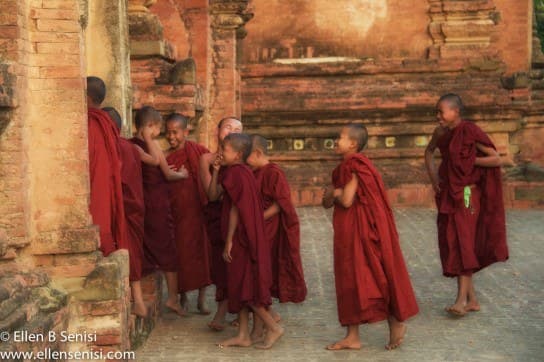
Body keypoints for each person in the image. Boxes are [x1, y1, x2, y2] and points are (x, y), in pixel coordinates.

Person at [322, 124, 419, 350]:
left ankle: (395, 322)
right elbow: (327, 201)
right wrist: (332, 194)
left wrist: (334, 193)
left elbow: (345, 199)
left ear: (353, 144)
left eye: (341, 137)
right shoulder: (342, 169)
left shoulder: (356, 166)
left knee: (374, 277)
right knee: (348, 279)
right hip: (346, 232)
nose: (336, 141)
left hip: (363, 232)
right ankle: (352, 336)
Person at [424, 93, 508, 317]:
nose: (438, 116)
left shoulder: (470, 131)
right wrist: (434, 179)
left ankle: (461, 301)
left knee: (464, 239)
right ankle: (472, 301)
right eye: (437, 112)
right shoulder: (441, 132)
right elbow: (429, 152)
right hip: (448, 191)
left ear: (456, 112)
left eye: (441, 111)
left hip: (469, 193)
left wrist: (471, 161)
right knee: (455, 239)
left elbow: (496, 158)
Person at [208, 133, 284, 349]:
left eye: (226, 149)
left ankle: (273, 327)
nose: (221, 153)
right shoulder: (236, 173)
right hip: (245, 236)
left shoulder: (237, 174)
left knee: (245, 288)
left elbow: (235, 209)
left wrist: (230, 240)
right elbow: (213, 196)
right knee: (238, 286)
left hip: (241, 238)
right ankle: (243, 335)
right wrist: (215, 171)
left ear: (239, 154)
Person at [246, 134, 307, 341]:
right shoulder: (254, 172)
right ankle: (257, 328)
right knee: (258, 275)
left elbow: (281, 203)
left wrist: (259, 218)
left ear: (257, 153)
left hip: (268, 230)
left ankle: (265, 325)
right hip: (257, 231)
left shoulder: (273, 173)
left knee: (263, 274)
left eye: (246, 156)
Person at [130, 106, 188, 316]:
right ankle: (172, 298)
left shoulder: (131, 144)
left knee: (145, 248)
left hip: (142, 203)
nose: (160, 133)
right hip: (155, 204)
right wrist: (181, 174)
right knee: (167, 251)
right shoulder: (145, 145)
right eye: (159, 128)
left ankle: (153, 297)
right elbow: (163, 169)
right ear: (151, 126)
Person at [164, 113, 212, 314]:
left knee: (203, 255)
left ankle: (202, 299)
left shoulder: (199, 152)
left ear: (186, 131)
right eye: (168, 132)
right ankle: (182, 297)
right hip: (176, 214)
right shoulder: (165, 157)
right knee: (181, 255)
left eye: (175, 132)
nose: (171, 136)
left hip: (198, 212)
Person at [199, 117, 243, 331]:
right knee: (221, 265)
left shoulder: (243, 160)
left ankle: (237, 311)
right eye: (228, 127)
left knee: (240, 261)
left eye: (237, 129)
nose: (232, 132)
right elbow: (212, 194)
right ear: (217, 131)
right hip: (218, 215)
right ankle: (227, 308)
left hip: (239, 216)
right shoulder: (206, 159)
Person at [102, 106, 147, 318]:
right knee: (132, 252)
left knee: (123, 248)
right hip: (134, 205)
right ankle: (136, 299)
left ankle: (137, 300)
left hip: (120, 207)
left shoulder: (112, 147)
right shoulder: (130, 147)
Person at [86, 76, 126, 258]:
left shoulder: (90, 123)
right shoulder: (106, 124)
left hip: (93, 190)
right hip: (104, 190)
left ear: (86, 97)